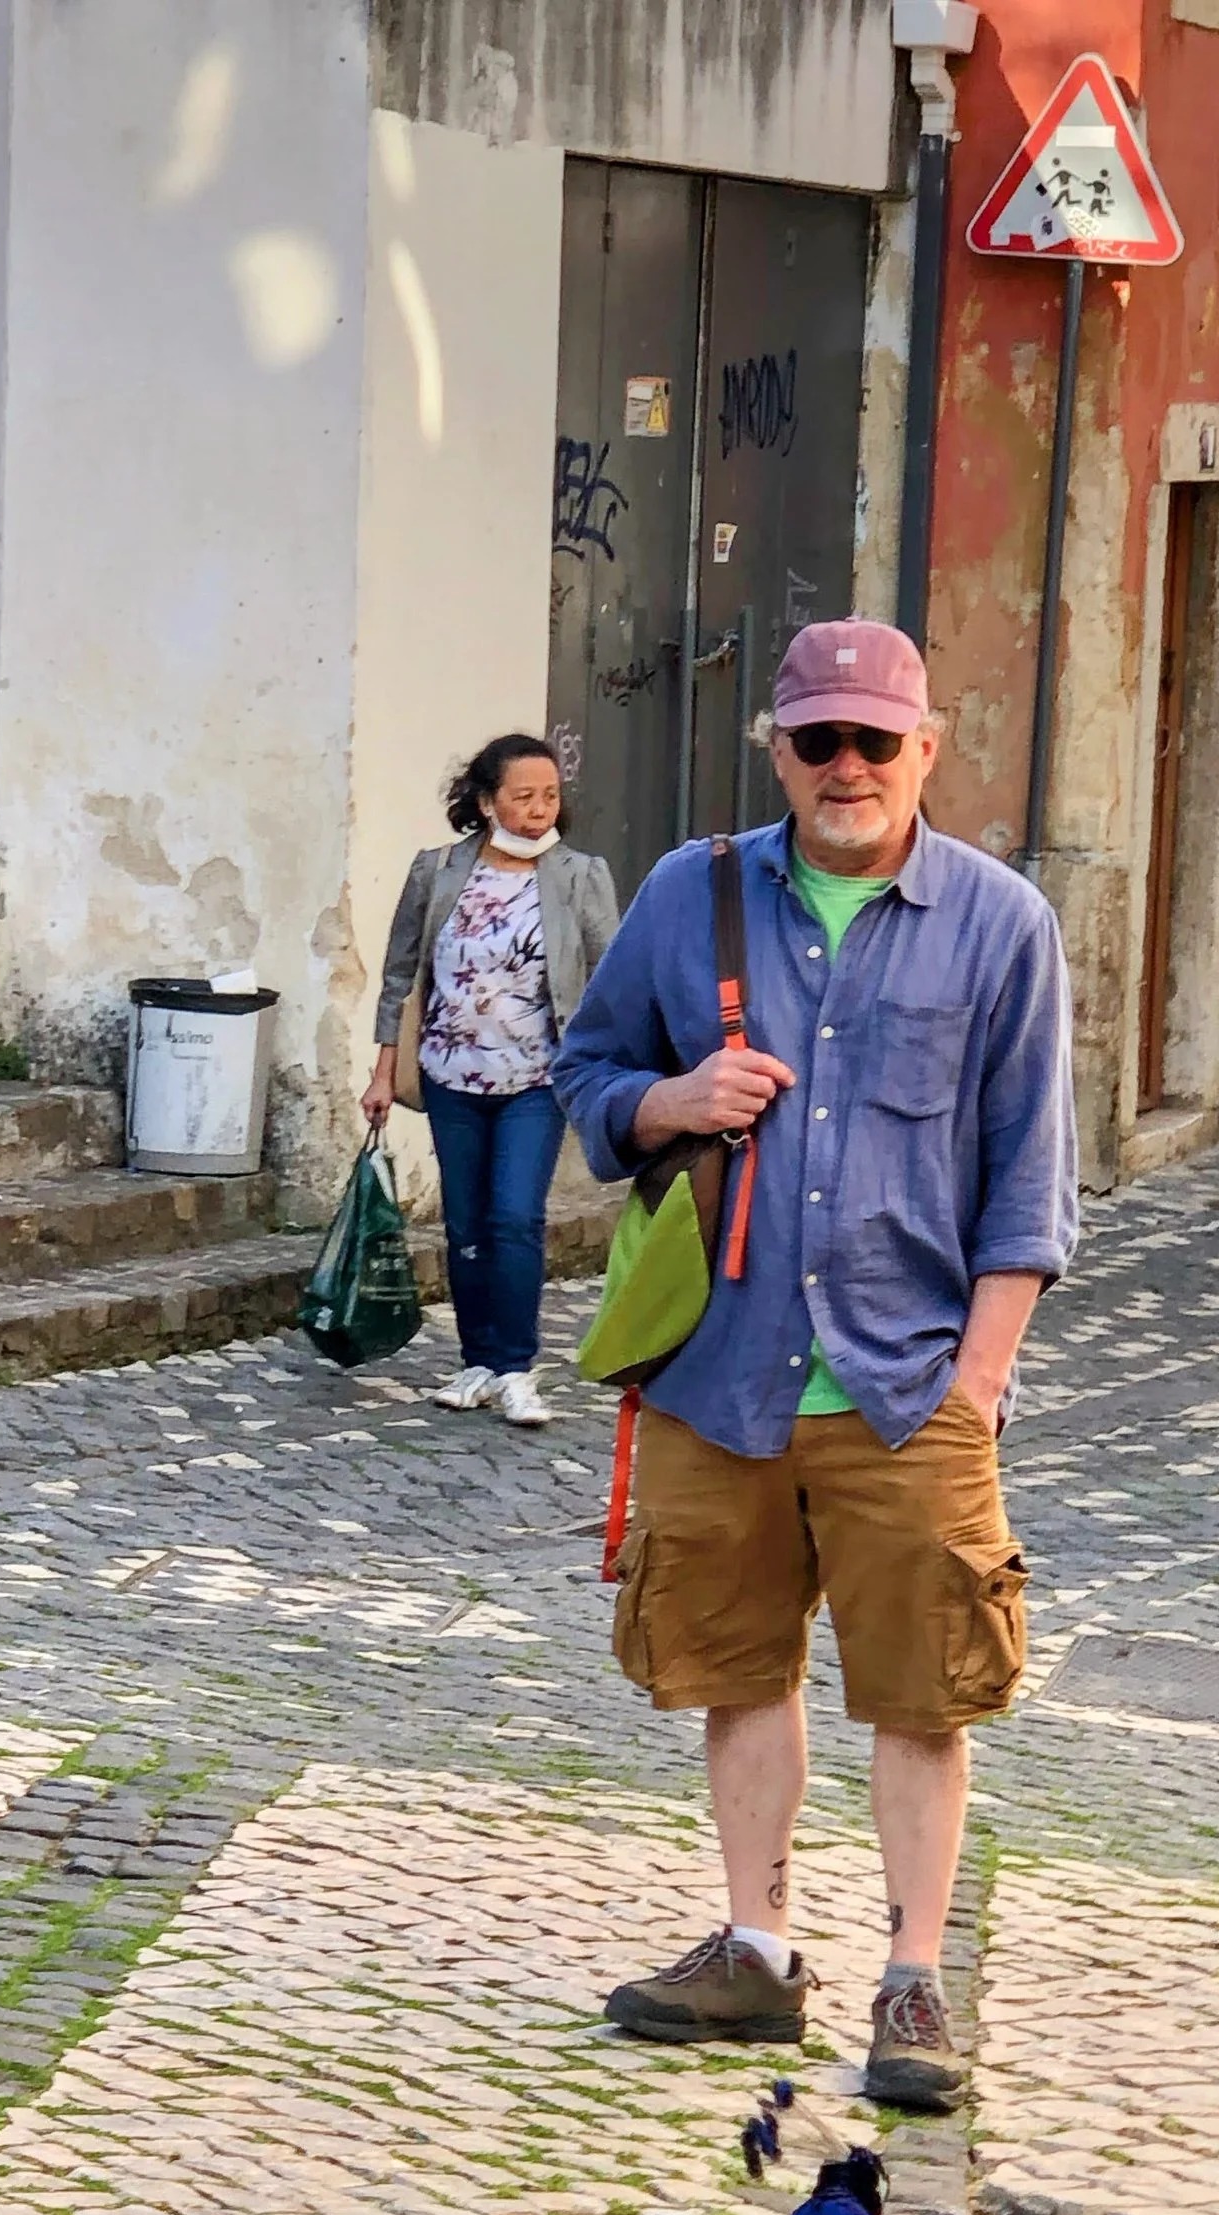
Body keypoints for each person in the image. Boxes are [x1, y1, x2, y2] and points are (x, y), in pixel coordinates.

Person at [557, 619, 1077, 2111]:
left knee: (925, 1693)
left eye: (875, 740)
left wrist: (978, 1385)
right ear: (773, 747)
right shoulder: (690, 896)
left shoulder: (998, 925)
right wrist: (675, 1096)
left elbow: (1031, 1183)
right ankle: (757, 1948)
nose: (845, 767)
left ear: (928, 747)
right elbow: (590, 1080)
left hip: (911, 1384)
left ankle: (912, 1980)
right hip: (720, 1377)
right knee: (738, 1668)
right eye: (816, 741)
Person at [365, 735, 618, 1428]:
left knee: (515, 1217)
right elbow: (399, 975)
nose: (539, 812)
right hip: (451, 1073)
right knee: (467, 1223)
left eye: (550, 797)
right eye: (522, 797)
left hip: (537, 1078)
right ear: (486, 802)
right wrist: (384, 1070)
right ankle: (475, 1360)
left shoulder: (580, 875)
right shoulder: (438, 871)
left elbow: (612, 973)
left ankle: (516, 1366)